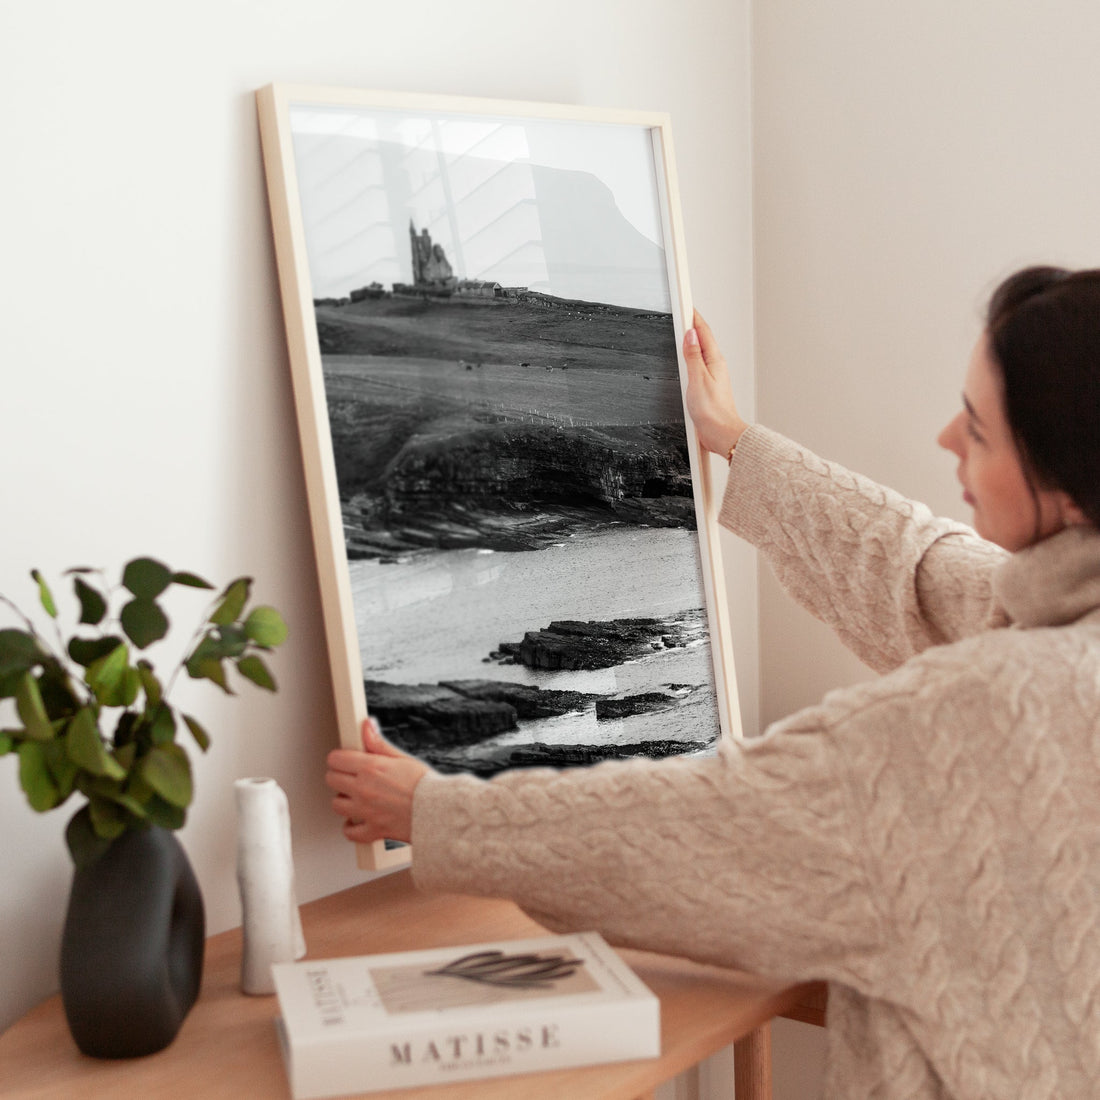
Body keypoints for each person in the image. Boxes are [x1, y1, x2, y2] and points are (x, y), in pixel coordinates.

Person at [325, 266, 1100, 1099]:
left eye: (979, 431)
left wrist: (435, 812)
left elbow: (706, 826)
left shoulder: (981, 713)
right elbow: (919, 570)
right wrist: (734, 440)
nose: (947, 438)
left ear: (1064, 486)